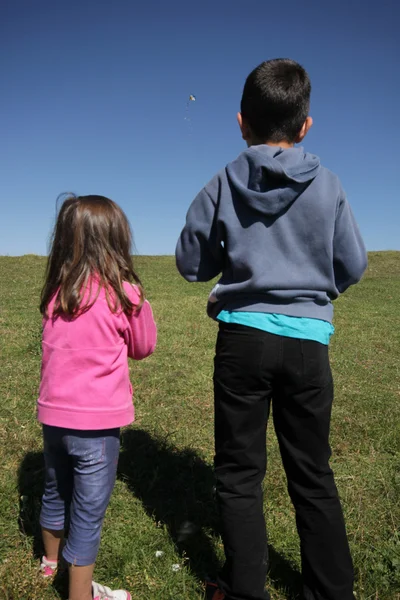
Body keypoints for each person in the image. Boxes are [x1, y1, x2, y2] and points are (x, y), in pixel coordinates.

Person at [175, 58, 367, 600]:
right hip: (308, 345)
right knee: (313, 472)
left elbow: (191, 264)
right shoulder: (328, 185)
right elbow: (351, 265)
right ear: (305, 126)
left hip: (242, 342)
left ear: (242, 123)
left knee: (239, 474)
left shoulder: (223, 181)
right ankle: (332, 591)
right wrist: (312, 292)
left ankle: (243, 590)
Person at [37, 194, 157, 600]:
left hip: (53, 420)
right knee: (88, 514)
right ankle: (81, 595)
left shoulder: (56, 295)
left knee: (55, 491)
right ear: (117, 240)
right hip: (98, 427)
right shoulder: (125, 294)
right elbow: (144, 347)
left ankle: (48, 563)